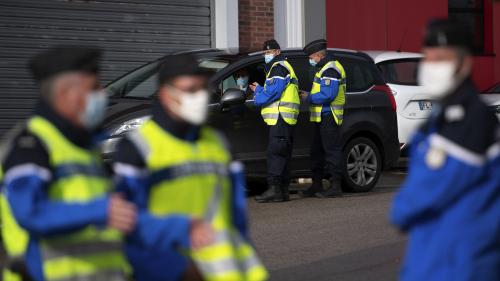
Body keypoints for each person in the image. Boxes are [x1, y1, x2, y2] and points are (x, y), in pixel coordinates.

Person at [112, 54, 268, 281]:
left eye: (202, 89)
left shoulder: (218, 144)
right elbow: (128, 223)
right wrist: (176, 267)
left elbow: (236, 217)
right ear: (165, 94)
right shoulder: (138, 148)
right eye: (189, 90)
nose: (199, 98)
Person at [2, 46, 136, 281]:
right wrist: (99, 210)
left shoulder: (84, 147)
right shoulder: (31, 145)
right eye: (93, 88)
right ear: (66, 94)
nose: (103, 94)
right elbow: (29, 212)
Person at [390, 19, 500, 281]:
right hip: (433, 257)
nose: (431, 66)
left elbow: (426, 191)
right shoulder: (441, 117)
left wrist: (400, 208)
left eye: (441, 59)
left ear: (464, 64)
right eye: (428, 58)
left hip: (461, 263)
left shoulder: (468, 119)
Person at [250, 39, 300, 203]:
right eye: (265, 53)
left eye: (269, 52)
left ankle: (274, 189)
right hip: (285, 117)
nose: (266, 55)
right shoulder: (280, 67)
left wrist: (257, 97)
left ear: (277, 52)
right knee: (283, 153)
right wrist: (259, 89)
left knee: (276, 153)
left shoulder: (278, 67)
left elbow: (274, 93)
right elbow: (274, 90)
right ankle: (282, 191)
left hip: (280, 116)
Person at [301, 39, 347, 198]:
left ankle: (335, 186)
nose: (310, 60)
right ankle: (316, 184)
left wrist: (308, 97)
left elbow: (329, 94)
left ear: (318, 55)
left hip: (329, 116)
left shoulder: (330, 69)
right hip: (321, 116)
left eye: (311, 57)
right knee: (317, 151)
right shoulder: (323, 68)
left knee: (332, 151)